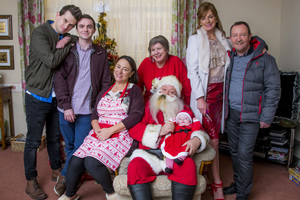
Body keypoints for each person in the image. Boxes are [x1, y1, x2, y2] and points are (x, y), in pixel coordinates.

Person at [58, 56, 145, 200]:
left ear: (131, 73)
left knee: (91, 162)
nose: (120, 71)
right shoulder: (105, 90)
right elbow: (94, 114)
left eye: (125, 69)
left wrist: (110, 131)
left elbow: (136, 115)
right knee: (75, 160)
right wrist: (97, 130)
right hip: (99, 132)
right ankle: (70, 194)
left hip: (119, 134)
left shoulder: (133, 90)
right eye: (118, 67)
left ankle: (111, 193)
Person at [24, 5, 82, 200]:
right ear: (57, 16)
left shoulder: (67, 35)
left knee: (54, 137)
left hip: (55, 98)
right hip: (37, 95)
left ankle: (57, 170)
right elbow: (51, 61)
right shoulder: (40, 33)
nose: (66, 26)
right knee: (32, 141)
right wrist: (67, 45)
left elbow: (77, 37)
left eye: (71, 25)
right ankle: (30, 181)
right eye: (65, 21)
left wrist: (66, 39)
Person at [53, 14, 111, 196]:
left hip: (87, 111)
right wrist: (66, 105)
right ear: (77, 29)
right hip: (66, 109)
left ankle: (65, 178)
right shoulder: (68, 50)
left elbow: (106, 83)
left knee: (79, 148)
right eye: (82, 26)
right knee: (69, 146)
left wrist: (98, 105)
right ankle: (73, 177)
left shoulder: (101, 53)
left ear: (94, 30)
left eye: (89, 26)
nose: (85, 29)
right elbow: (59, 79)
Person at [223, 21, 280, 200]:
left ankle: (243, 193)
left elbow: (274, 88)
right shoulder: (228, 56)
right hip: (231, 114)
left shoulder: (265, 59)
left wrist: (267, 117)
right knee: (234, 152)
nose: (238, 39)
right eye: (235, 35)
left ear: (249, 37)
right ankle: (238, 183)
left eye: (242, 35)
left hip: (251, 116)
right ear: (230, 38)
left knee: (245, 155)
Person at [127, 75, 210, 200]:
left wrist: (196, 140)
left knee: (188, 166)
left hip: (177, 156)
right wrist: (159, 131)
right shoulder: (147, 107)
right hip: (150, 155)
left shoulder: (184, 110)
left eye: (172, 92)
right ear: (158, 90)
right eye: (164, 89)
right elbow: (133, 128)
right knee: (135, 166)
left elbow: (199, 130)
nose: (166, 93)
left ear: (177, 96)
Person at [186, 2, 231, 200]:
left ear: (216, 17)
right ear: (199, 20)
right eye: (203, 18)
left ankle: (210, 178)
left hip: (223, 94)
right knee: (212, 139)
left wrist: (262, 48)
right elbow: (192, 71)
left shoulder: (224, 38)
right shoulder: (195, 40)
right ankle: (217, 183)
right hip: (207, 94)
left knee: (216, 138)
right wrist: (200, 98)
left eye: (210, 17)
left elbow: (243, 47)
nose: (207, 21)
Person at [137, 35, 191, 106]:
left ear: (166, 49)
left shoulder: (176, 61)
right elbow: (137, 86)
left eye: (159, 48)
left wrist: (187, 106)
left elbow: (187, 87)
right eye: (153, 50)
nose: (156, 52)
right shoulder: (146, 63)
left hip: (172, 104)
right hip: (150, 105)